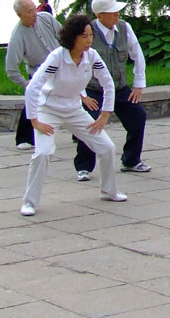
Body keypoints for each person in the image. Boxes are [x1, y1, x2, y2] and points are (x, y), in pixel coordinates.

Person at [20, 15, 127, 216]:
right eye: (84, 36)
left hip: (75, 110)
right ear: (72, 37)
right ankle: (29, 202)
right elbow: (33, 87)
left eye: (91, 35)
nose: (89, 40)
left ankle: (109, 191)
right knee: (43, 153)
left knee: (107, 147)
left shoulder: (92, 56)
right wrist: (34, 120)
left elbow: (108, 83)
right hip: (48, 111)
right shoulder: (57, 57)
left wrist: (105, 114)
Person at [73, 0, 151, 181]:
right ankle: (84, 167)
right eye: (113, 12)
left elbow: (137, 55)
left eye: (117, 12)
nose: (117, 15)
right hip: (93, 89)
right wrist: (82, 95)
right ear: (100, 15)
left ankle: (131, 160)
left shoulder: (124, 28)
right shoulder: (87, 31)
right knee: (89, 123)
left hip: (119, 87)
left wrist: (138, 85)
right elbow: (75, 63)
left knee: (138, 116)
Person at [5, 0, 62, 151]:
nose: (34, 14)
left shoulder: (46, 18)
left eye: (34, 9)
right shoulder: (18, 35)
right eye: (30, 12)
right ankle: (24, 138)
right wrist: (25, 83)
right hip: (39, 73)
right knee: (34, 101)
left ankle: (80, 134)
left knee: (75, 95)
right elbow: (10, 68)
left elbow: (63, 36)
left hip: (61, 65)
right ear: (20, 15)